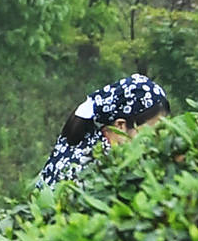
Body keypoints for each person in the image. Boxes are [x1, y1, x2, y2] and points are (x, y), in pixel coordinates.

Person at [34, 74, 172, 188]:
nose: (158, 138)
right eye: (153, 131)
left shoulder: (103, 148)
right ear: (120, 126)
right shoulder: (89, 167)